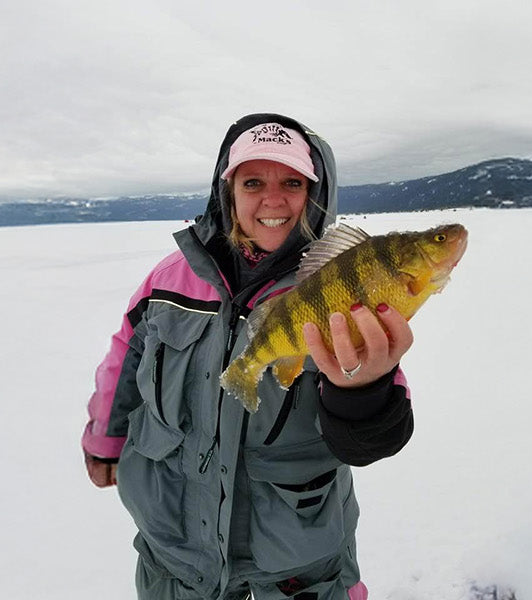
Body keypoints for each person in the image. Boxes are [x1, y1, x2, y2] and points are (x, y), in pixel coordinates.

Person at [82, 113, 415, 600]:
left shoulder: (335, 287)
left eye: (292, 182)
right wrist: (104, 442)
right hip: (172, 545)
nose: (273, 199)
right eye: (253, 181)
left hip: (296, 559)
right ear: (228, 193)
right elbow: (127, 356)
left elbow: (366, 442)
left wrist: (362, 389)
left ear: (314, 195)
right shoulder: (170, 279)